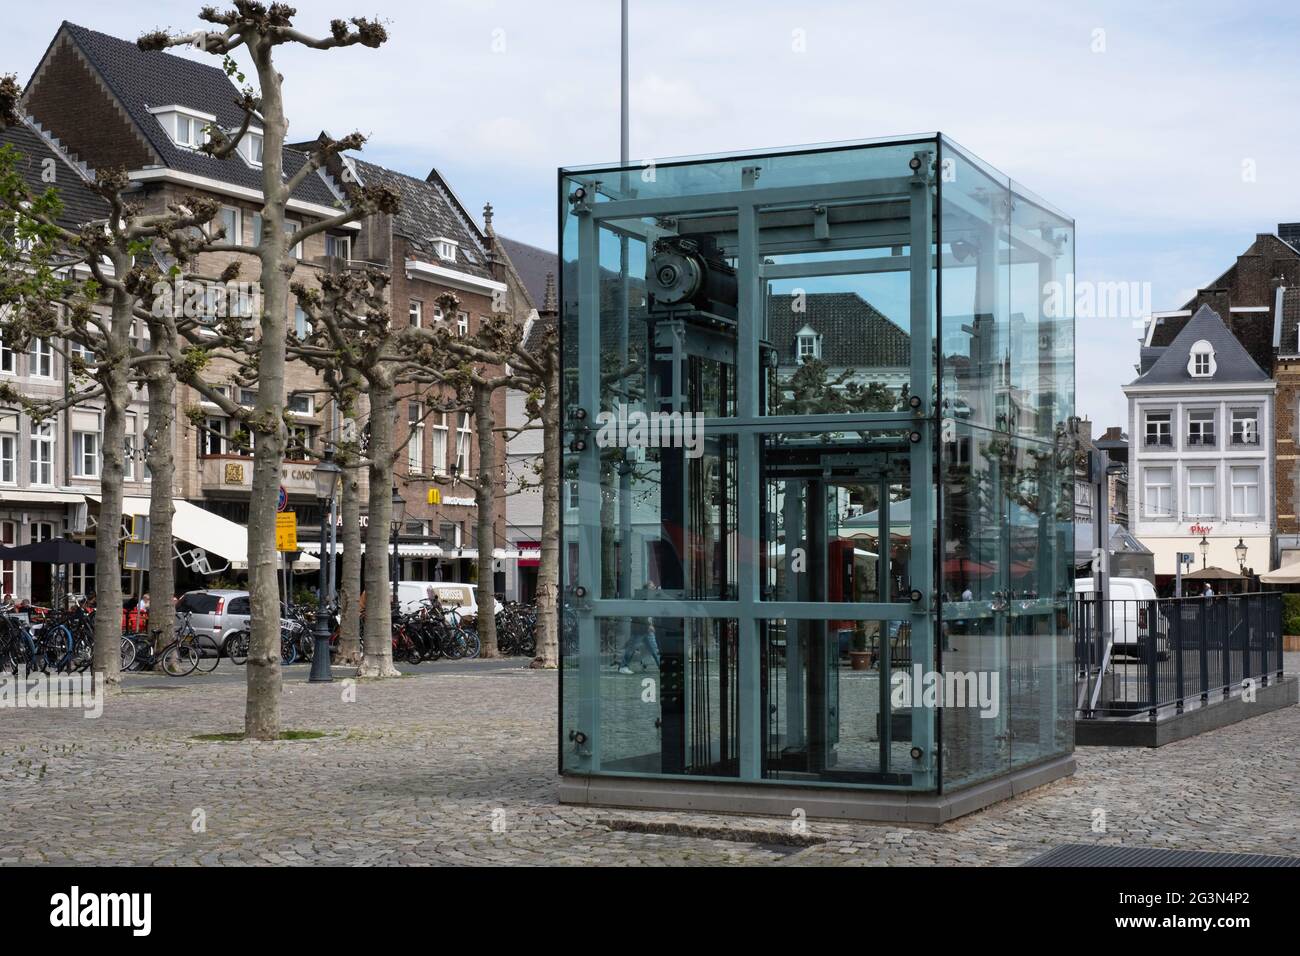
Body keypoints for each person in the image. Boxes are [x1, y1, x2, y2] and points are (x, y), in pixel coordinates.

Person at [617, 581, 661, 674]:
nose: (654, 589)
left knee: (654, 649)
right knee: (632, 648)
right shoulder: (639, 598)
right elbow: (639, 614)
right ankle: (623, 666)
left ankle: (662, 667)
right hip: (640, 630)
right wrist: (649, 625)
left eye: (654, 587)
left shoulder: (649, 598)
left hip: (646, 630)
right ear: (646, 589)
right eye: (652, 587)